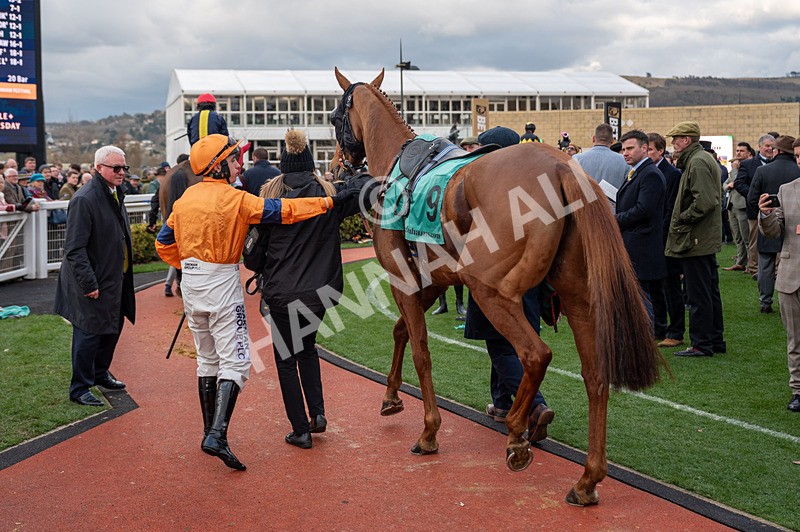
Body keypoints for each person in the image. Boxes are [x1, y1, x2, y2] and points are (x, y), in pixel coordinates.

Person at [155, 134, 361, 470]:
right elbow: (287, 210)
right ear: (217, 166)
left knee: (206, 360)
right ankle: (217, 434)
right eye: (233, 159)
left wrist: (189, 265)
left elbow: (163, 244)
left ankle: (210, 430)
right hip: (222, 283)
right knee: (236, 363)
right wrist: (328, 202)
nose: (239, 165)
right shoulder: (238, 199)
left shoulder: (185, 199)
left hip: (192, 283)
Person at [255, 129, 377, 450]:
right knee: (307, 348)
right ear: (311, 166)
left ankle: (301, 429)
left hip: (282, 293)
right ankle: (317, 414)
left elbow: (253, 256)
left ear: (283, 167)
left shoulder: (270, 201)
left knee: (286, 359)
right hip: (320, 293)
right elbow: (367, 186)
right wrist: (347, 177)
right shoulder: (328, 199)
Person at [466, 126, 554, 442]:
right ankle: (503, 403)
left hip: (495, 278)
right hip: (531, 281)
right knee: (507, 343)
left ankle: (535, 406)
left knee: (502, 346)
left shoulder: (490, 186)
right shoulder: (532, 184)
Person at [54, 145, 136, 407]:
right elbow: (74, 249)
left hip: (114, 277)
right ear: (99, 168)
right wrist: (89, 283)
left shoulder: (115, 192)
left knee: (113, 327)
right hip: (91, 280)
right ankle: (79, 388)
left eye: (124, 167)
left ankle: (100, 373)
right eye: (116, 168)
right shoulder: (84, 199)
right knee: (88, 334)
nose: (122, 172)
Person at [664, 121, 725, 357]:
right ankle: (714, 340)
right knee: (709, 292)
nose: (673, 143)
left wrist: (683, 218)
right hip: (702, 238)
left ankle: (701, 344)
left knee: (698, 294)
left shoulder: (697, 161)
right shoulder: (700, 159)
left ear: (687, 140)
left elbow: (706, 201)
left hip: (696, 238)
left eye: (676, 138)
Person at [758, 140, 800, 412]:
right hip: (791, 275)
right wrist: (766, 215)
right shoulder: (787, 190)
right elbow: (775, 231)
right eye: (797, 156)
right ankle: (798, 390)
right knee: (795, 339)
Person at [616, 130, 666, 330]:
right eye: (623, 149)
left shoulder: (650, 174)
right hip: (634, 244)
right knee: (636, 298)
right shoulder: (638, 172)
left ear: (644, 148)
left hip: (641, 247)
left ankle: (644, 339)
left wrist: (614, 220)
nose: (625, 153)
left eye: (630, 148)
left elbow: (643, 210)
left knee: (642, 299)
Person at [748, 135, 800, 314]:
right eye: (797, 156)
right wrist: (767, 213)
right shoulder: (790, 182)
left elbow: (752, 198)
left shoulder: (763, 171)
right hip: (787, 231)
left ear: (777, 151)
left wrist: (762, 211)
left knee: (766, 265)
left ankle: (765, 302)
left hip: (772, 226)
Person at [647, 132, 684, 348]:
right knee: (655, 287)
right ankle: (659, 327)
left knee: (671, 287)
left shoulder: (672, 174)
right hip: (653, 239)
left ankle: (676, 331)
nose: (647, 153)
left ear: (661, 151)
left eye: (650, 149)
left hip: (666, 239)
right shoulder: (648, 171)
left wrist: (661, 237)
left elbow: (670, 210)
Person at [735, 133, 775, 277]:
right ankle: (754, 268)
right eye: (767, 146)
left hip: (775, 208)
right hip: (755, 208)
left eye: (772, 146)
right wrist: (755, 195)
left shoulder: (777, 163)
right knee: (755, 239)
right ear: (759, 146)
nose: (770, 149)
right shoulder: (748, 164)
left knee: (775, 237)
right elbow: (739, 183)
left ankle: (775, 269)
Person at [573, 123, 630, 196]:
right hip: (613, 203)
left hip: (585, 202)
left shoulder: (576, 159)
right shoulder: (625, 160)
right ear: (612, 140)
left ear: (593, 138)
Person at [724, 142, 755, 271]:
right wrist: (728, 185)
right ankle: (740, 261)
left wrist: (734, 171)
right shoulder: (735, 167)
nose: (738, 153)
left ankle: (752, 264)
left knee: (747, 237)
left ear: (749, 153)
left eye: (742, 151)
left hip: (743, 205)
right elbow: (725, 184)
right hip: (732, 205)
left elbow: (738, 182)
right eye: (737, 150)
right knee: (738, 237)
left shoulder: (749, 166)